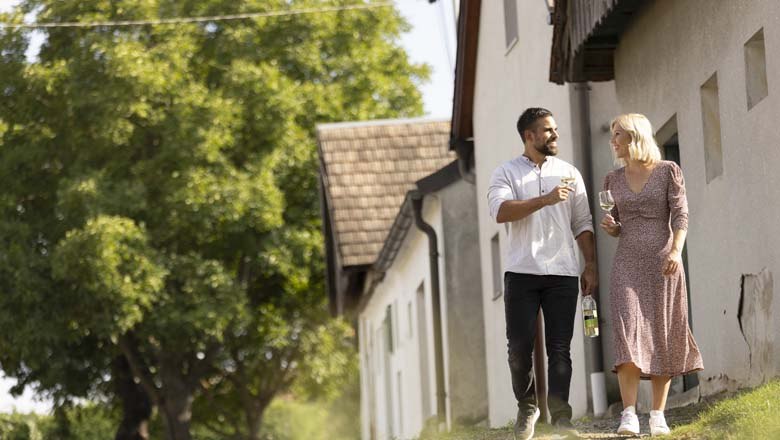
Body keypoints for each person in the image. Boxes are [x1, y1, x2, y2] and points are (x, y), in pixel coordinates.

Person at [488, 107, 597, 440]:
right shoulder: (505, 173)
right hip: (521, 272)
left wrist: (589, 264)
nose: (555, 135)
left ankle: (561, 417)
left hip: (562, 272)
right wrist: (545, 199)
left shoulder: (570, 173)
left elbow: (582, 223)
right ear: (529, 136)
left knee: (560, 348)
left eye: (555, 129)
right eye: (548, 130)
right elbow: (501, 212)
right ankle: (528, 408)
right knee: (519, 348)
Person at [600, 113, 704, 437]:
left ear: (634, 137)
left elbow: (682, 215)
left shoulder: (668, 171)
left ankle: (658, 415)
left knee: (662, 334)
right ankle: (629, 414)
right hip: (627, 263)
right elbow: (617, 222)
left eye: (618, 135)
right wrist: (613, 228)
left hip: (663, 262)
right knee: (628, 330)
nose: (612, 141)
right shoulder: (612, 179)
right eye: (613, 135)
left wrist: (675, 250)